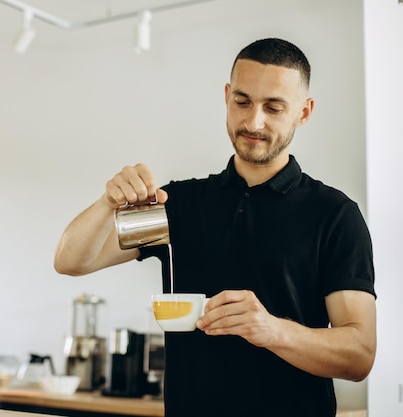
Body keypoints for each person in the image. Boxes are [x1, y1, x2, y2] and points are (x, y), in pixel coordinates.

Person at [53, 38, 376, 417]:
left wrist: (272, 330)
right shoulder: (178, 204)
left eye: (273, 107)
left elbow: (359, 355)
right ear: (226, 96)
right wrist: (107, 202)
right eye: (242, 101)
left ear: (303, 112)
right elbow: (71, 261)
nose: (254, 122)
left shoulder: (335, 215)